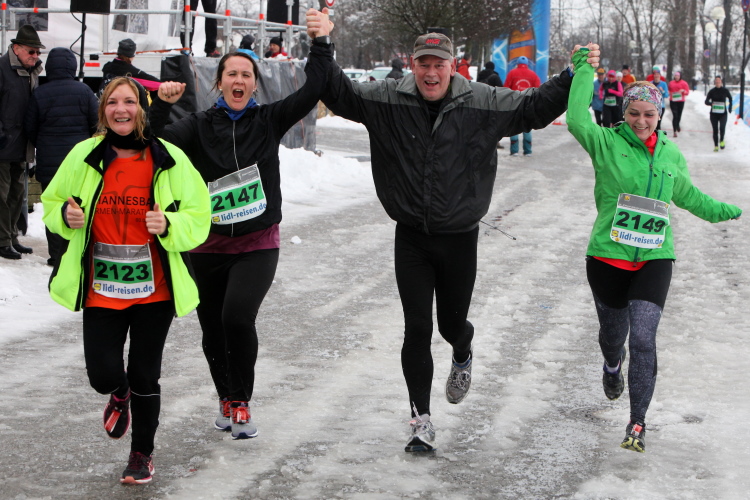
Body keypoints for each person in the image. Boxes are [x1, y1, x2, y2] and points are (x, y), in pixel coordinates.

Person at [308, 8, 600, 452]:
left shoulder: (482, 101)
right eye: (423, 64)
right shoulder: (387, 99)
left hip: (460, 237)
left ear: (453, 66)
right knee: (416, 327)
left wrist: (571, 74)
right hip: (411, 235)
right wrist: (323, 43)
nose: (431, 73)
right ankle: (420, 419)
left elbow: (534, 108)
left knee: (450, 325)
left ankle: (463, 349)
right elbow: (339, 92)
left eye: (439, 65)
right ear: (413, 65)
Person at [148, 11, 333, 440]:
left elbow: (314, 89)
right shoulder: (198, 127)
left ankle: (242, 401)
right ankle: (225, 397)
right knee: (212, 327)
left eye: (246, 74)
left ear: (254, 84)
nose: (239, 80)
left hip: (256, 242)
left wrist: (322, 44)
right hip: (207, 245)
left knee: (236, 317)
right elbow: (155, 148)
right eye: (231, 73)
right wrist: (161, 107)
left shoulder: (268, 120)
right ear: (219, 82)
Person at [567, 47, 741, 454]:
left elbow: (688, 195)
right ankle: (612, 365)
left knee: (644, 337)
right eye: (634, 113)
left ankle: (637, 422)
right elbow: (576, 119)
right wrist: (583, 70)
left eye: (649, 114)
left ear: (659, 115)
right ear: (624, 113)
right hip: (607, 257)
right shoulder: (605, 142)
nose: (642, 121)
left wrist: (726, 211)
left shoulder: (670, 153)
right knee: (614, 337)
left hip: (654, 256)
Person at [40, 76, 210, 484]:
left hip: (155, 289)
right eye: (113, 102)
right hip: (102, 289)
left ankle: (141, 454)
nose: (121, 109)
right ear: (103, 112)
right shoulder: (84, 155)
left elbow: (200, 213)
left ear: (141, 109)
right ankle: (119, 393)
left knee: (145, 373)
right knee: (102, 374)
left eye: (129, 101)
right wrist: (64, 215)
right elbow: (51, 201)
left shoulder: (168, 157)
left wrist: (169, 224)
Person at [24, 47, 99, 267]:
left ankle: (57, 256)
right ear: (73, 67)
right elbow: (96, 123)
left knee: (55, 207)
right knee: (80, 207)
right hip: (80, 163)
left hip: (49, 162)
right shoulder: (85, 91)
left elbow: (30, 127)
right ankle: (78, 252)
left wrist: (43, 144)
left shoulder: (39, 93)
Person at [0, 25, 44, 260]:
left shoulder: (32, 71)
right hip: (4, 144)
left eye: (38, 52)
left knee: (17, 194)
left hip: (22, 145)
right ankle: (2, 240)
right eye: (31, 51)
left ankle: (11, 237)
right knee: (2, 195)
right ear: (16, 48)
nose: (35, 56)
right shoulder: (2, 68)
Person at [504, 55, 542, 156]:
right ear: (527, 64)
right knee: (527, 127)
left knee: (514, 126)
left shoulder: (512, 73)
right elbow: (538, 89)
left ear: (517, 64)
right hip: (528, 105)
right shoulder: (533, 75)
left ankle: (514, 151)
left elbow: (506, 88)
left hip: (514, 104)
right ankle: (528, 151)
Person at [705, 75, 733, 152]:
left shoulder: (725, 90)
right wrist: (711, 104)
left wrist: (730, 107)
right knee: (715, 130)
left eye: (719, 81)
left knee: (722, 128)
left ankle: (722, 140)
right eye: (716, 81)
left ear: (721, 82)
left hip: (723, 113)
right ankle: (716, 146)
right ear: (715, 82)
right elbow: (706, 101)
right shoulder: (712, 91)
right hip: (714, 114)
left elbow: (730, 98)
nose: (717, 82)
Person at [667, 71, 689, 137]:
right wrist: (670, 92)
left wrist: (683, 91)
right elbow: (668, 90)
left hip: (681, 101)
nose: (676, 77)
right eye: (675, 76)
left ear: (680, 76)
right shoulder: (671, 83)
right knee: (675, 115)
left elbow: (687, 92)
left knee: (679, 115)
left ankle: (677, 125)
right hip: (673, 101)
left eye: (678, 76)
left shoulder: (684, 83)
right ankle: (674, 131)